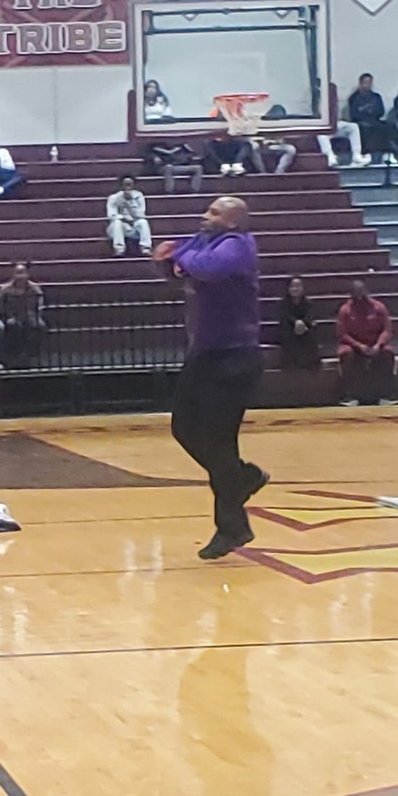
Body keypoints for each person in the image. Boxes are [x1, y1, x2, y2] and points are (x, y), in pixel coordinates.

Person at [154, 197, 268, 560]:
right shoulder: (204, 240)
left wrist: (178, 256)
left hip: (234, 356)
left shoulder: (238, 245)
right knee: (184, 428)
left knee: (219, 442)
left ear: (233, 221)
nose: (206, 215)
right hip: (204, 353)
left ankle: (232, 526)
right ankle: (243, 478)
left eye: (215, 212)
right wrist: (169, 262)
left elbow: (205, 268)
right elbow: (182, 268)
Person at [336, 280, 398, 406]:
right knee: (346, 354)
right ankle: (349, 395)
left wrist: (379, 344)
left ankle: (387, 395)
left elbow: (387, 330)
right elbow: (342, 334)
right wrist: (358, 345)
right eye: (356, 294)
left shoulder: (379, 307)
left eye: (362, 293)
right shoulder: (345, 310)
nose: (360, 297)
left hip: (376, 344)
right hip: (354, 345)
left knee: (388, 352)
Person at [0, 262, 46, 364]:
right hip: (11, 317)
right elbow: (0, 306)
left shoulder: (34, 288)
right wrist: (6, 316)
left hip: (30, 316)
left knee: (40, 326)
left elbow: (40, 303)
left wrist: (37, 315)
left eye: (22, 273)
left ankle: (32, 356)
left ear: (27, 274)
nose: (20, 276)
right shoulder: (5, 289)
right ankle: (14, 356)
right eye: (18, 273)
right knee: (12, 326)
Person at [348, 73, 398, 163]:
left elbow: (381, 111)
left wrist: (371, 113)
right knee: (368, 128)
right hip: (361, 122)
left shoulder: (376, 97)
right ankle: (368, 154)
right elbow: (354, 114)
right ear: (360, 83)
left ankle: (387, 153)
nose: (367, 85)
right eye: (365, 82)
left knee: (389, 126)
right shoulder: (353, 98)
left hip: (375, 120)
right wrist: (366, 112)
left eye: (369, 82)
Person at [278, 277, 320, 370]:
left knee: (312, 329)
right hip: (290, 330)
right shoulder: (283, 303)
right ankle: (290, 363)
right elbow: (285, 316)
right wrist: (295, 322)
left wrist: (302, 323)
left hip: (304, 328)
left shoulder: (309, 303)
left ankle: (312, 363)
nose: (295, 289)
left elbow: (310, 316)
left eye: (298, 286)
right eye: (292, 286)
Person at [106, 174, 152, 257]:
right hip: (119, 227)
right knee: (117, 222)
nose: (128, 187)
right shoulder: (113, 198)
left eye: (129, 184)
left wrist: (130, 203)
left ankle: (145, 248)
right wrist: (124, 218)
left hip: (134, 225)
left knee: (143, 222)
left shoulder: (139, 196)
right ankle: (119, 249)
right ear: (121, 186)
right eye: (125, 185)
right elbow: (111, 215)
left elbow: (141, 214)